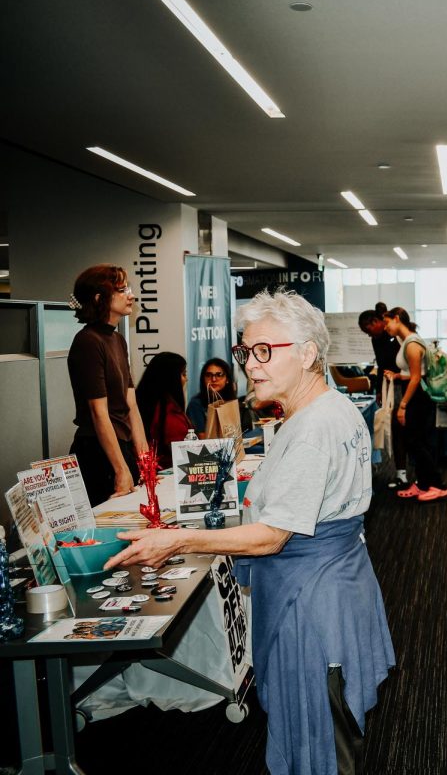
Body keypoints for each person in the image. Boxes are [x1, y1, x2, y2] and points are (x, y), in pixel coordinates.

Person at [105, 289, 394, 775]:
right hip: (336, 584)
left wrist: (177, 539)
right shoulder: (332, 408)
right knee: (330, 729)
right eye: (246, 352)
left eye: (264, 351)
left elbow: (271, 537)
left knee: (318, 738)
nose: (251, 365)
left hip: (311, 601)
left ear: (307, 354)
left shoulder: (311, 430)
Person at [67, 264, 149, 505]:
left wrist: (145, 460)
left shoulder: (118, 339)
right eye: (122, 289)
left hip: (119, 448)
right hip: (98, 453)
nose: (131, 295)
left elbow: (130, 404)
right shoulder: (88, 342)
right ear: (99, 298)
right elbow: (98, 413)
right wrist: (121, 469)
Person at [384, 308, 447, 502]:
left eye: (387, 322)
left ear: (397, 319)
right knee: (417, 441)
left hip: (418, 397)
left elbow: (415, 379)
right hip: (417, 395)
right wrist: (397, 376)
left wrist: (403, 405)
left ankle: (437, 485)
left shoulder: (412, 344)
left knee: (416, 441)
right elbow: (416, 373)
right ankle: (423, 483)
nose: (386, 327)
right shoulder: (408, 341)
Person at [358, 307, 406, 488]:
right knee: (395, 429)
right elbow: (381, 364)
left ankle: (411, 475)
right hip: (390, 387)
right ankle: (401, 473)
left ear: (376, 322)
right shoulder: (376, 340)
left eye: (368, 330)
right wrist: (379, 390)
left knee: (405, 431)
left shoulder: (399, 337)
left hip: (404, 386)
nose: (369, 335)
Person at [135, 352, 193, 470]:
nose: (186, 379)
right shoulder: (169, 414)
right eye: (183, 374)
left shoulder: (147, 405)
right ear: (171, 377)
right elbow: (185, 453)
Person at [185, 357, 245, 437]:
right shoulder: (196, 404)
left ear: (227, 379)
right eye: (209, 375)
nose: (213, 379)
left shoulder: (232, 402)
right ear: (203, 379)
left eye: (219, 375)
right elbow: (202, 437)